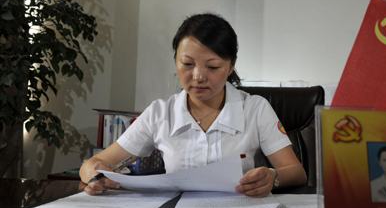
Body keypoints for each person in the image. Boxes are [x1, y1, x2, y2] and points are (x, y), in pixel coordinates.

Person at [80, 13, 307, 197]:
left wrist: (271, 176)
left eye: (213, 67)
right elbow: (92, 164)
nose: (198, 77)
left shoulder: (255, 109)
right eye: (187, 64)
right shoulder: (161, 113)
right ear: (176, 61)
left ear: (231, 66)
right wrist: (94, 174)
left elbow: (297, 173)